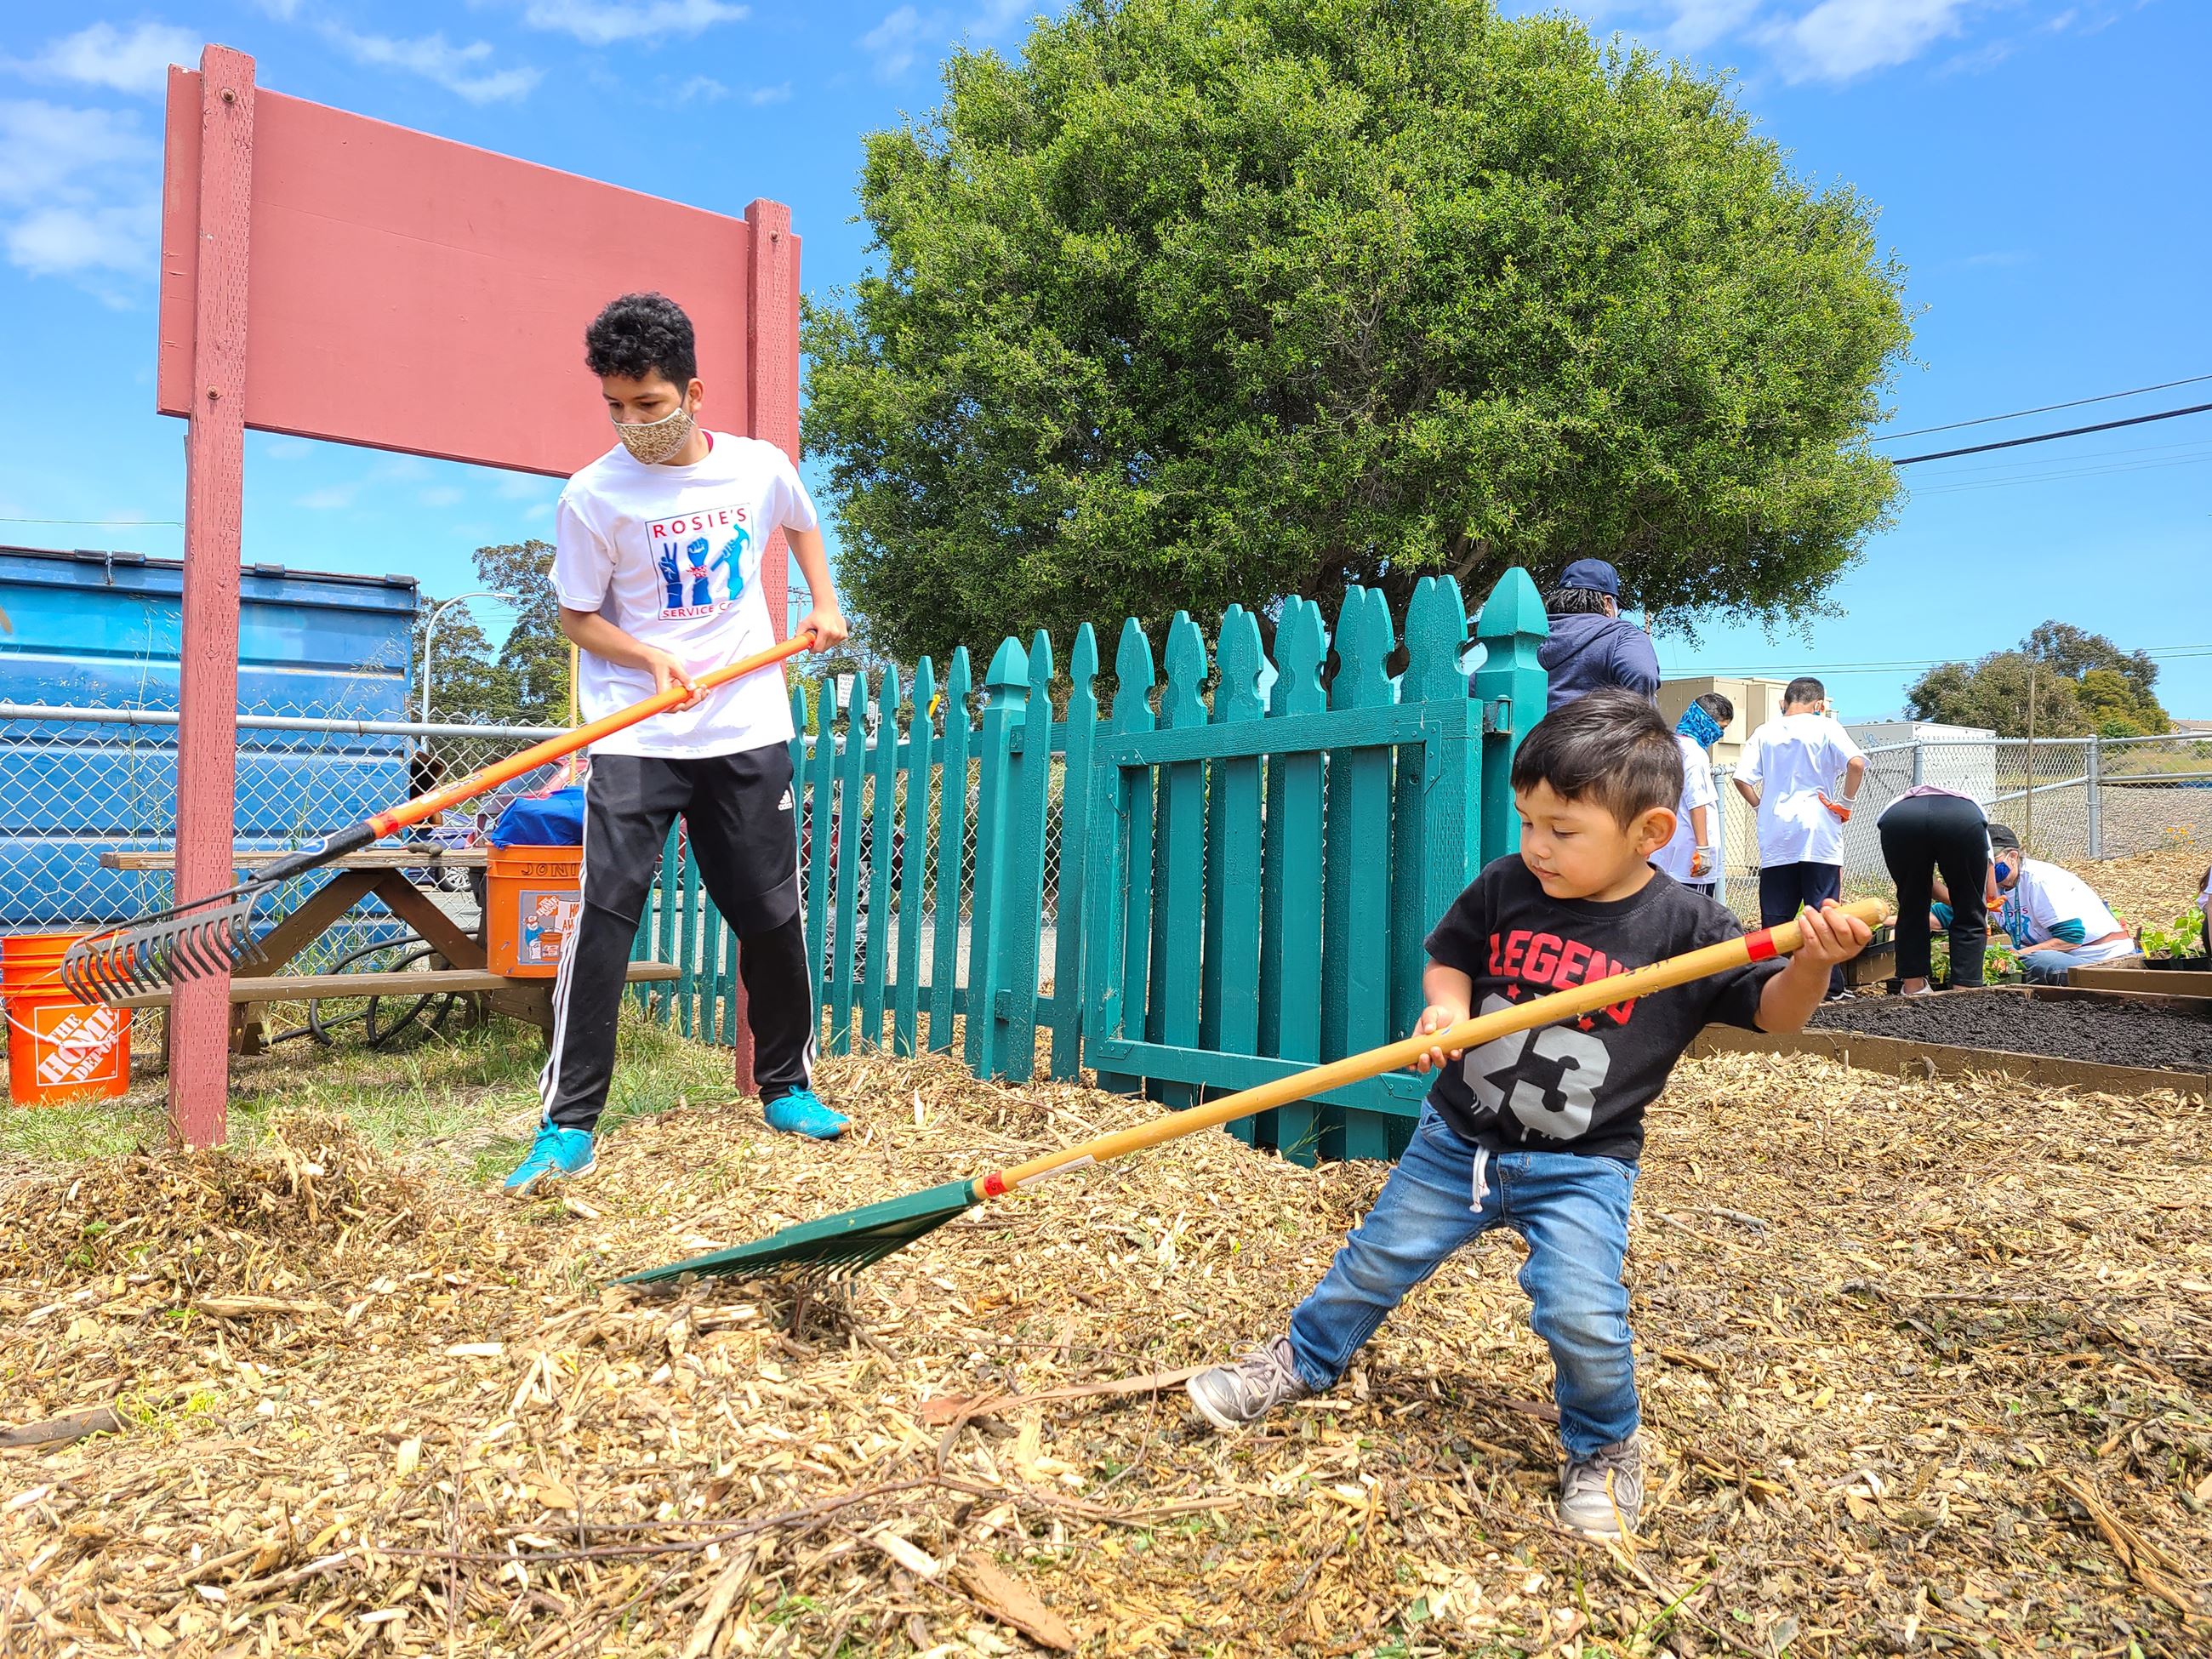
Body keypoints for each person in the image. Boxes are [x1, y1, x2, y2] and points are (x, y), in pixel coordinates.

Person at [1183, 692, 1870, 1540]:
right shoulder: (1509, 885)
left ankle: (1606, 1445)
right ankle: (1297, 1361)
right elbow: (1449, 957)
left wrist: (1811, 964)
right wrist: (1443, 1011)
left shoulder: (1687, 928)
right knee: (1371, 1264)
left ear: (1649, 833)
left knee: (1578, 1309)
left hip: (1582, 1164)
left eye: (1561, 829)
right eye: (1526, 821)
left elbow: (1775, 1014)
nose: (1535, 846)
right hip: (1456, 1140)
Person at [504, 292, 850, 1199]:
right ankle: (567, 1124)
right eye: (615, 408)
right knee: (605, 922)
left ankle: (786, 1086)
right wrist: (646, 653)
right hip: (637, 730)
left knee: (769, 913)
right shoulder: (592, 495)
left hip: (744, 724)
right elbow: (577, 617)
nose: (632, 425)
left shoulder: (756, 467)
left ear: (692, 392)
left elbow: (801, 524)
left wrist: (821, 602)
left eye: (649, 406)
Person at [1733, 676, 1866, 998]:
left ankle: (1771, 987)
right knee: (1823, 912)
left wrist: (1760, 806)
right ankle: (1830, 988)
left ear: (1785, 702)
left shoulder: (1765, 731)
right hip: (1819, 831)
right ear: (1819, 704)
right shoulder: (1827, 728)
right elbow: (1856, 763)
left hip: (1778, 832)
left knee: (1776, 916)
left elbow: (1741, 778)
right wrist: (1845, 804)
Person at [1877, 783, 1994, 995]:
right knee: (1970, 910)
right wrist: (1967, 900)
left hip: (1899, 820)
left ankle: (1914, 990)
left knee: (1911, 906)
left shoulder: (1903, 801)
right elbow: (1989, 892)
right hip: (1961, 821)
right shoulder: (1972, 811)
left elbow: (1925, 886)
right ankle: (1964, 993)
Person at [1986, 824, 2139, 984]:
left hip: (2096, 958)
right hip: (2053, 953)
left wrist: (2016, 956)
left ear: (2013, 856)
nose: (1986, 867)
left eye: (1992, 861)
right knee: (1979, 955)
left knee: (2035, 961)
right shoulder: (1993, 884)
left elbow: (2071, 938)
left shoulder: (2039, 880)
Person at [1525, 558, 1662, 715]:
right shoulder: (1622, 635)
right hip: (1597, 735)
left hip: (1535, 735)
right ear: (1608, 603)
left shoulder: (1533, 634)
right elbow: (1642, 673)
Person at [1653, 693, 1732, 898]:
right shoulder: (1695, 754)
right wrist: (1703, 849)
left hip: (1663, 849)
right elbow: (1697, 802)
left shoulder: (1666, 746)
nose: (1719, 735)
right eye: (1721, 728)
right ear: (1707, 722)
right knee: (1696, 917)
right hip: (1690, 854)